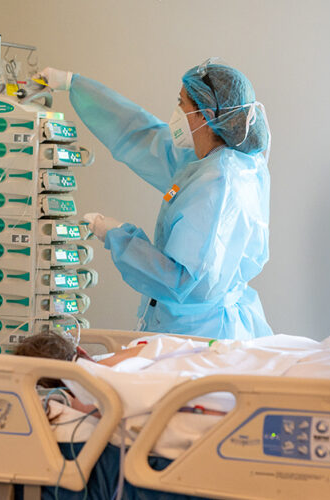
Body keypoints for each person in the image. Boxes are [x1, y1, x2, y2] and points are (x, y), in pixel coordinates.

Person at [35, 59, 273, 340]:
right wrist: (75, 84)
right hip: (191, 326)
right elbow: (141, 135)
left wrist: (118, 237)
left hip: (200, 335)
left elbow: (183, 282)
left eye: (182, 102)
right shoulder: (214, 163)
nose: (178, 111)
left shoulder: (219, 184)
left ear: (205, 115)